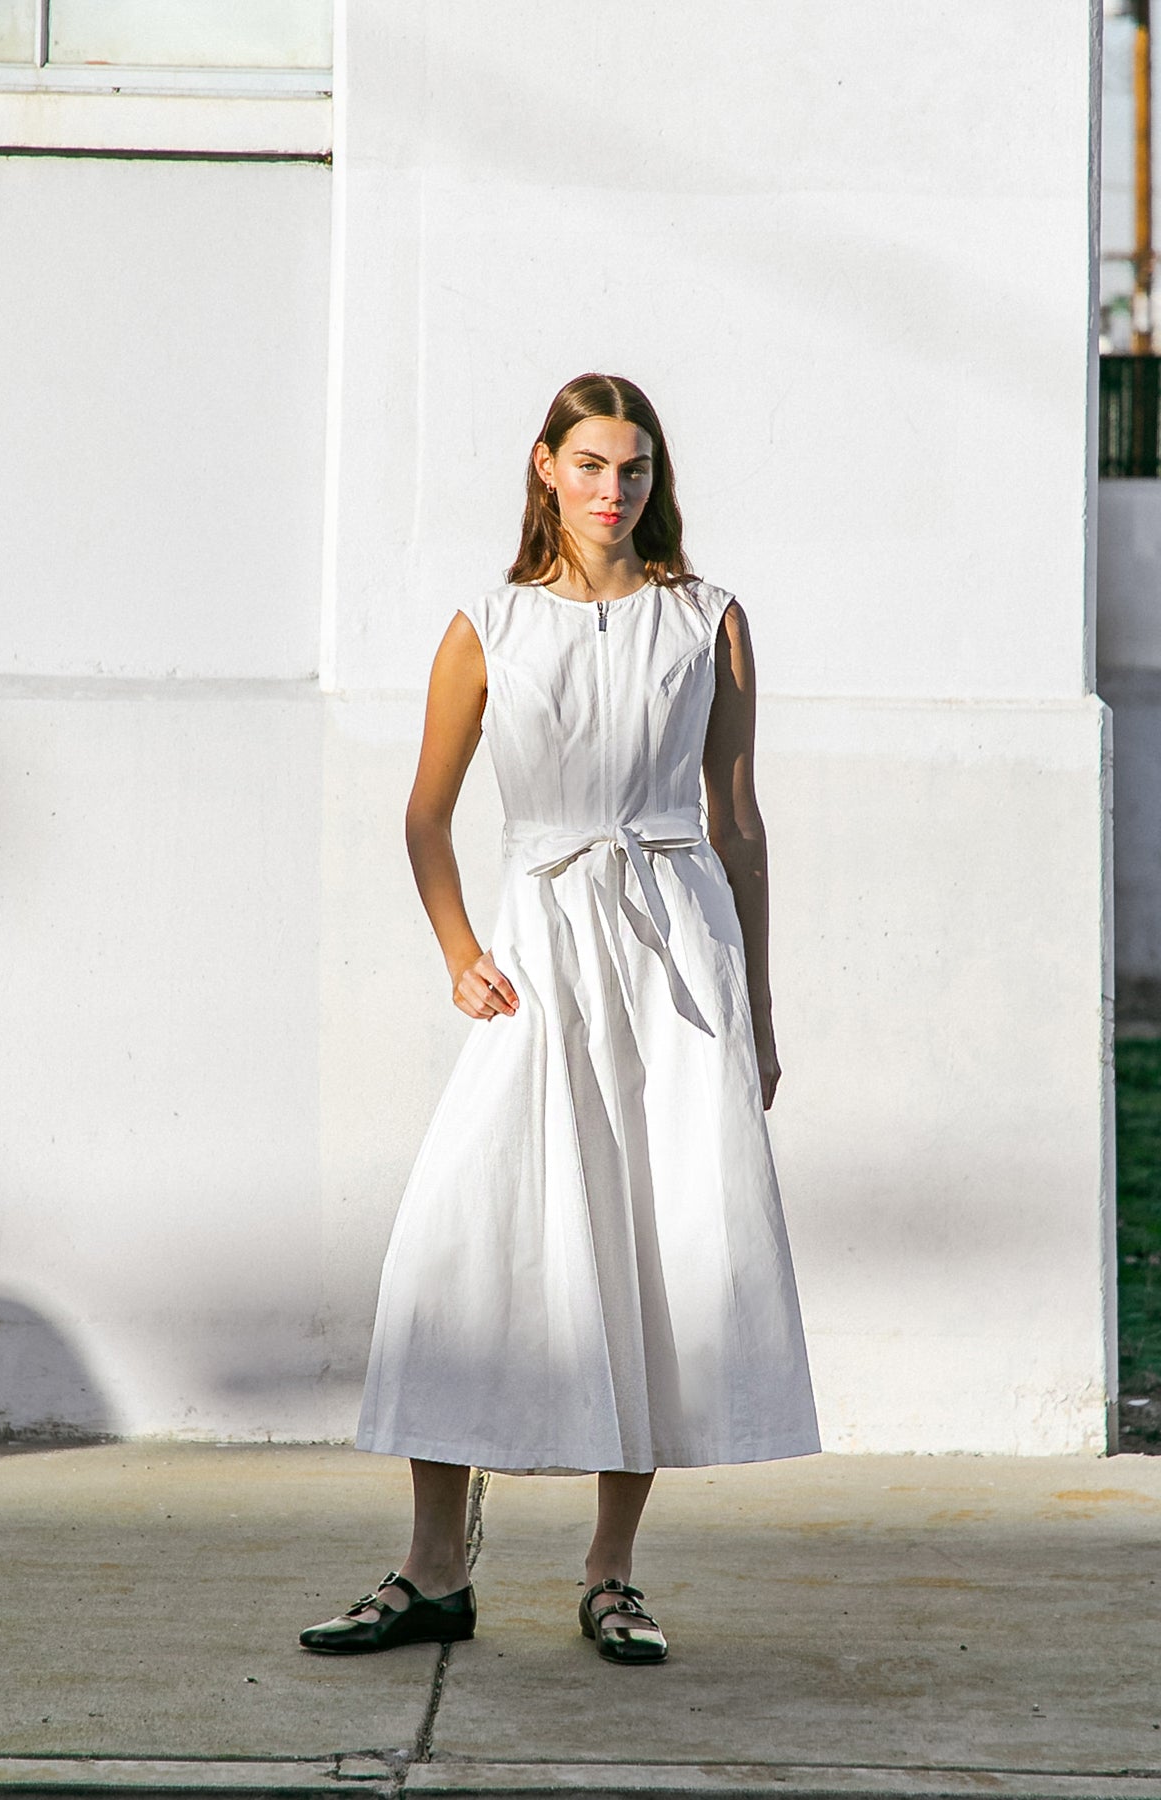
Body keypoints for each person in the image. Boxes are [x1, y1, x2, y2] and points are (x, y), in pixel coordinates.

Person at [298, 373, 820, 1667]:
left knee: (652, 1241)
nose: (612, 489)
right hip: (541, 948)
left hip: (676, 953)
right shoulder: (490, 624)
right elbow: (425, 815)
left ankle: (612, 1573)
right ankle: (433, 1572)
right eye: (590, 463)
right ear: (545, 466)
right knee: (458, 1240)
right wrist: (460, 955)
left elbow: (738, 822)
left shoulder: (707, 620)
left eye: (634, 468)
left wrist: (757, 1006)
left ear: (655, 479)